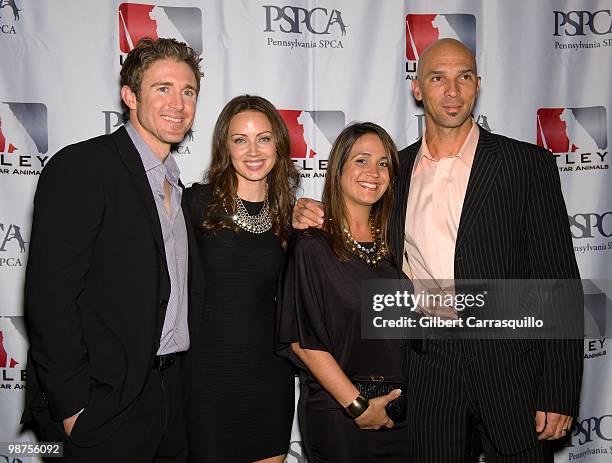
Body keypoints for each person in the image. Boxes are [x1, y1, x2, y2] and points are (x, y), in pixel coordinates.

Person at [293, 38, 583, 462]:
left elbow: (559, 280)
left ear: (477, 85)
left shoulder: (526, 165)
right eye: (437, 78)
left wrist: (559, 389)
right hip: (427, 366)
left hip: (512, 367)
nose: (452, 91)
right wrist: (305, 211)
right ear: (417, 88)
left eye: (463, 77)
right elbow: (354, 231)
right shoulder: (395, 170)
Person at [22, 38, 203, 462]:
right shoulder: (84, 167)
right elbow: (50, 298)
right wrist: (73, 408)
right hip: (107, 402)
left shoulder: (178, 187)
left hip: (172, 398)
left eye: (188, 91)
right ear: (130, 95)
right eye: (163, 88)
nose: (178, 103)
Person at [278, 122, 410, 462]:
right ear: (338, 169)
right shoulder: (312, 244)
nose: (374, 172)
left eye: (383, 163)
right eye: (361, 160)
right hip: (341, 416)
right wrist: (358, 406)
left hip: (404, 415)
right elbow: (304, 343)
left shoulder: (397, 242)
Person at [183, 95, 298, 463]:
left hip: (269, 376)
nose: (253, 150)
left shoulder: (292, 217)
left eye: (264, 138)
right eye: (240, 139)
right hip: (207, 377)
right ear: (224, 146)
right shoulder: (194, 204)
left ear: (279, 145)